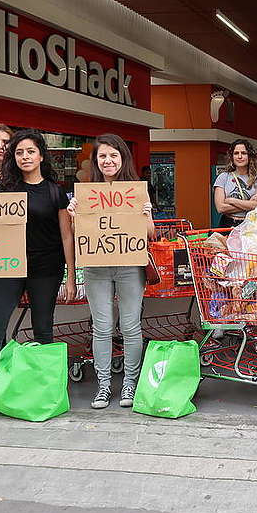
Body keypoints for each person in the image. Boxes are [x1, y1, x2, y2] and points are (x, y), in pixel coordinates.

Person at [0, 130, 77, 419]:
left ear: (41, 155)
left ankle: (43, 388)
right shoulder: (5, 190)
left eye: (30, 151)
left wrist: (71, 275)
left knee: (43, 329)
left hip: (46, 268)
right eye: (19, 152)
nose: (25, 156)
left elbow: (66, 236)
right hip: (8, 266)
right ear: (14, 157)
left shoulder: (55, 191)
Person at [71, 135, 156, 409]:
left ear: (123, 159)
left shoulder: (136, 192)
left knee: (131, 326)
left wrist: (146, 214)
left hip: (130, 265)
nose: (108, 161)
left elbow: (150, 234)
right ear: (96, 161)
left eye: (114, 156)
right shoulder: (86, 193)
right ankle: (104, 386)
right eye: (103, 156)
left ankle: (130, 384)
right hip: (97, 267)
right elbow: (78, 235)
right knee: (102, 327)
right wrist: (74, 216)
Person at [213, 139, 257, 227]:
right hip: (228, 224)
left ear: (250, 156)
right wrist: (249, 203)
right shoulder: (223, 177)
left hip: (252, 224)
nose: (239, 156)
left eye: (243, 153)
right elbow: (220, 208)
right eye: (236, 153)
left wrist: (231, 200)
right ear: (231, 156)